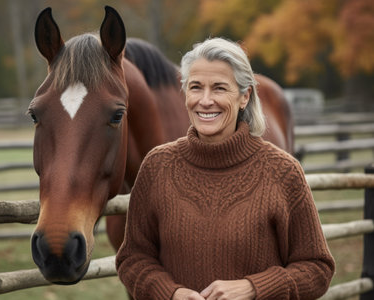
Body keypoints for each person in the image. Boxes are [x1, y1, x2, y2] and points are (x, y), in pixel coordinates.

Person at [115, 37, 335, 300]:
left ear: (244, 96)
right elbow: (132, 259)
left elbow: (318, 269)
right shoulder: (157, 166)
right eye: (196, 87)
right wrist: (170, 293)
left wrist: (254, 288)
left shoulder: (283, 171)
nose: (205, 101)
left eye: (219, 88)